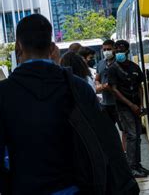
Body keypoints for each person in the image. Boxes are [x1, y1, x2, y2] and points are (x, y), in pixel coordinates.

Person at [0, 14, 99, 193]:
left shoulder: (4, 93)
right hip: (76, 188)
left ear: (18, 46)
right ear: (52, 47)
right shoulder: (79, 88)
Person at [108, 40, 149, 178]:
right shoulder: (113, 69)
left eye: (121, 50)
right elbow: (114, 90)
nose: (119, 53)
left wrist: (140, 105)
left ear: (127, 51)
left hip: (136, 106)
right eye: (117, 51)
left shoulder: (134, 67)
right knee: (132, 135)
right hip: (124, 107)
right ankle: (131, 167)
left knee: (137, 136)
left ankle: (137, 165)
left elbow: (140, 86)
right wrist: (131, 105)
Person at [95, 40, 122, 133]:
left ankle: (124, 148)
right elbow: (97, 78)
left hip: (119, 102)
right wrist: (98, 85)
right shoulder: (100, 63)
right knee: (107, 130)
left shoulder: (119, 62)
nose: (106, 51)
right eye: (104, 49)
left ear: (114, 49)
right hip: (106, 103)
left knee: (124, 130)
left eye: (109, 49)